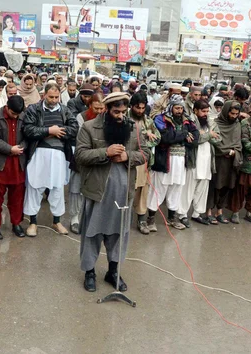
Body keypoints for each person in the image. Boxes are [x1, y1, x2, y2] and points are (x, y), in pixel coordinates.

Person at [75, 92, 149, 292]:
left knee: (119, 234)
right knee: (92, 233)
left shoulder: (132, 128)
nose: (120, 116)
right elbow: (80, 155)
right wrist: (104, 153)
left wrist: (127, 156)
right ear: (106, 110)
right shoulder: (89, 127)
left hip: (123, 194)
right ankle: (89, 271)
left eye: (123, 112)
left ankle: (113, 271)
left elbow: (145, 153)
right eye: (116, 111)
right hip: (98, 192)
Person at [23, 83, 78, 237]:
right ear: (44, 95)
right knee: (35, 186)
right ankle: (32, 222)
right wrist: (48, 130)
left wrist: (58, 131)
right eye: (50, 97)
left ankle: (57, 221)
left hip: (59, 155)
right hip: (38, 154)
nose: (54, 100)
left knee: (57, 188)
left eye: (56, 97)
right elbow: (28, 129)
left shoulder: (65, 110)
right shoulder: (34, 109)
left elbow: (74, 128)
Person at [146, 95, 199, 231]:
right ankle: (151, 219)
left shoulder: (187, 120)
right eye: (177, 108)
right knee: (158, 189)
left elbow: (195, 138)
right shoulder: (160, 119)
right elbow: (165, 137)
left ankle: (172, 218)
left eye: (181, 108)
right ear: (171, 107)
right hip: (164, 160)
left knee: (176, 189)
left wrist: (180, 135)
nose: (179, 111)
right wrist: (183, 135)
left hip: (181, 162)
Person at [0, 95, 27, 239]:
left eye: (18, 114)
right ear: (7, 107)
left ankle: (16, 223)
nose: (16, 116)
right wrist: (10, 149)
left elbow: (27, 136)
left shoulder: (23, 116)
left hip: (18, 163)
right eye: (13, 113)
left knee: (17, 196)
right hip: (0, 163)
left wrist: (21, 147)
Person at [177, 100, 220, 228]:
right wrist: (209, 135)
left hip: (207, 161)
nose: (205, 114)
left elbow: (219, 139)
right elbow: (193, 140)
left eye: (207, 111)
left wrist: (205, 135)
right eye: (203, 111)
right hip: (194, 160)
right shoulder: (190, 122)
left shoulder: (211, 122)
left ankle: (197, 214)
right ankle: (182, 214)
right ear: (195, 110)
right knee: (188, 189)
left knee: (202, 189)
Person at [69, 93, 106, 234]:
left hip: (100, 160)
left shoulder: (107, 119)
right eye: (96, 108)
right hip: (82, 157)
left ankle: (91, 218)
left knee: (94, 190)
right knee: (76, 189)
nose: (99, 111)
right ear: (89, 105)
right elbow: (82, 140)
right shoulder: (81, 117)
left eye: (101, 108)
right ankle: (74, 218)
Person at [206, 101, 242, 224]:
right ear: (226, 112)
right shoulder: (216, 123)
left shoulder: (237, 125)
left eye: (236, 114)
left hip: (231, 160)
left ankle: (219, 211)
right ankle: (209, 212)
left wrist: (234, 152)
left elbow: (238, 143)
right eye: (232, 113)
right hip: (218, 160)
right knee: (214, 186)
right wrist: (226, 151)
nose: (234, 116)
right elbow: (215, 141)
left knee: (227, 186)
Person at [130, 93, 160, 234]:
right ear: (132, 106)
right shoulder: (124, 119)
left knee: (142, 190)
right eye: (137, 107)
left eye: (143, 108)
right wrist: (143, 135)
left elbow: (157, 138)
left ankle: (141, 220)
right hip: (127, 159)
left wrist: (145, 140)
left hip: (143, 160)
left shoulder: (148, 121)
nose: (140, 111)